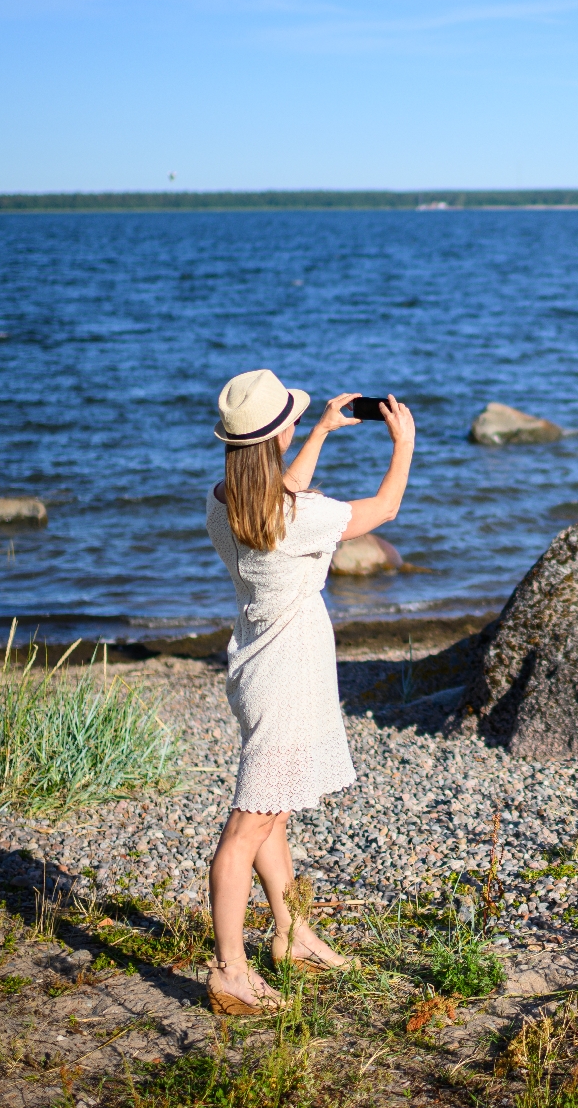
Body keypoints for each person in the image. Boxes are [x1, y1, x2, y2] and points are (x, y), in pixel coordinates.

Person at [200, 368, 415, 1014]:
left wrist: (320, 430)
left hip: (256, 666)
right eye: (294, 420)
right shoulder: (296, 517)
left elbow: (277, 483)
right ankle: (228, 969)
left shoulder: (223, 500)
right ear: (278, 433)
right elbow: (385, 510)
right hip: (287, 678)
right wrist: (403, 443)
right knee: (247, 824)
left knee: (273, 809)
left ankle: (292, 933)